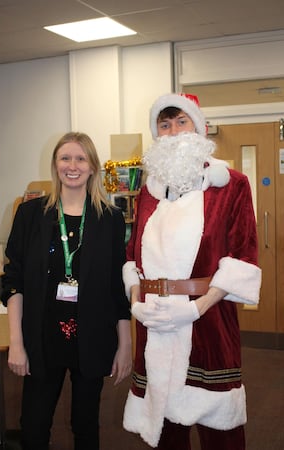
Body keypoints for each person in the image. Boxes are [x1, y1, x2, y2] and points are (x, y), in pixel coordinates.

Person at [122, 93, 262, 450]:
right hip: (153, 321)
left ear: (198, 128)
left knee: (220, 428)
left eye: (181, 122)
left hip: (209, 322)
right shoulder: (149, 191)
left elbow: (243, 258)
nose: (172, 133)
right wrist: (136, 301)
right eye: (164, 125)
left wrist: (194, 309)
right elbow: (132, 253)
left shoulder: (231, 185)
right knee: (165, 427)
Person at [1, 131, 132, 450]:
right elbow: (13, 281)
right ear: (55, 164)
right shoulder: (31, 215)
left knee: (86, 424)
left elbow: (118, 287)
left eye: (80, 158)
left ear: (92, 167)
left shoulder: (111, 219)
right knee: (33, 426)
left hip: (93, 337)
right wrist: (16, 344)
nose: (72, 166)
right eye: (65, 158)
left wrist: (125, 345)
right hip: (42, 338)